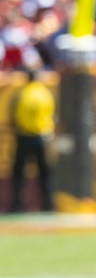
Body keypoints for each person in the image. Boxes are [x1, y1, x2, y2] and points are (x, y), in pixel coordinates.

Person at [8, 67, 55, 213]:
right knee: (45, 174)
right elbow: (53, 114)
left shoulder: (21, 93)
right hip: (42, 137)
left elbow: (12, 114)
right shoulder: (46, 93)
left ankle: (16, 206)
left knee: (18, 174)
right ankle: (47, 206)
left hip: (23, 137)